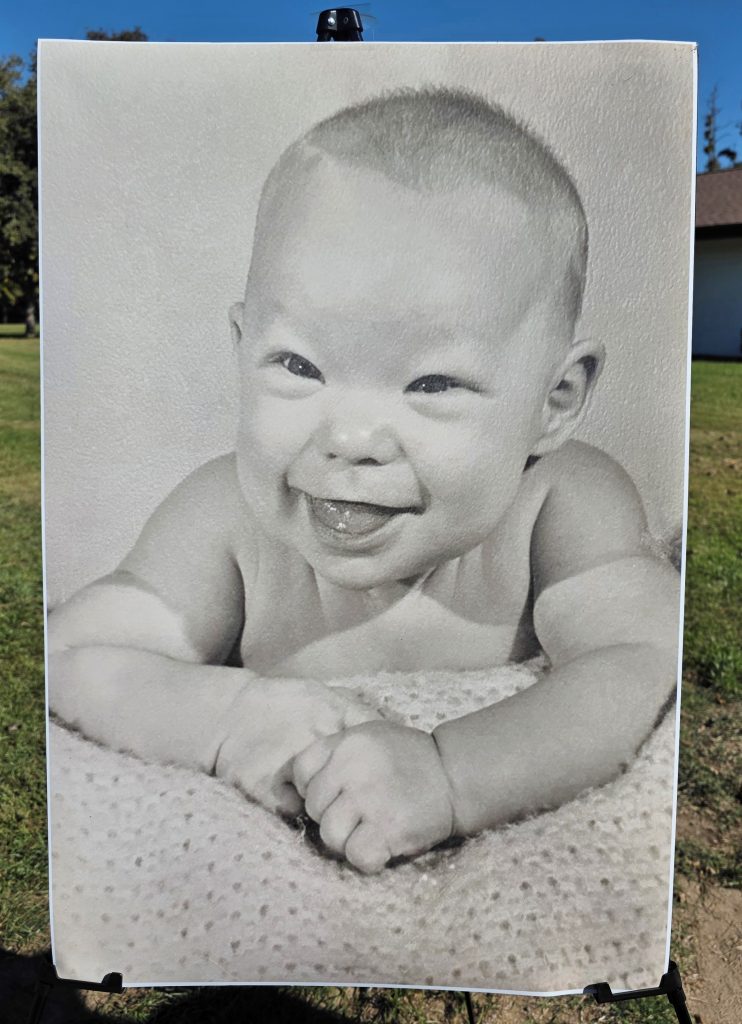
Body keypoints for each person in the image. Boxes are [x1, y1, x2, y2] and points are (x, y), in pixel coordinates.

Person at [48, 88, 680, 875]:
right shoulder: (223, 518)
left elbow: (641, 654)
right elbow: (74, 651)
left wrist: (453, 776)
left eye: (432, 384)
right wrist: (224, 716)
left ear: (556, 401)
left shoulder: (561, 502)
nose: (348, 440)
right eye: (298, 365)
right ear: (242, 347)